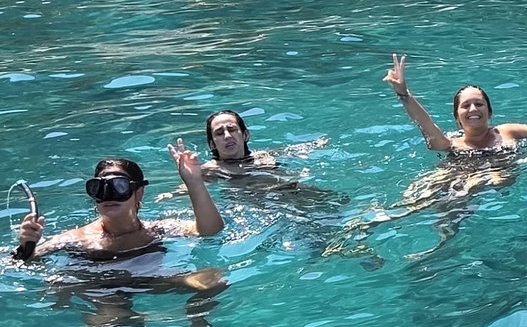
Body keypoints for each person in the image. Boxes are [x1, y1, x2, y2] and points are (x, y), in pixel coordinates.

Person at [11, 146, 223, 263]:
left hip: (149, 280)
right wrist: (26, 245)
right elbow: (23, 263)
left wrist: (194, 181)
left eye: (119, 186)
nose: (108, 195)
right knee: (107, 325)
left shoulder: (158, 230)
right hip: (99, 286)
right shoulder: (77, 239)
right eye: (99, 188)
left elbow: (210, 231)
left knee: (210, 281)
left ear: (138, 193)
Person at [384, 55, 527, 155]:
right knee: (419, 195)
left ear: (490, 112)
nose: (473, 109)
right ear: (457, 117)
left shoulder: (507, 131)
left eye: (479, 104)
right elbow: (425, 123)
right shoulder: (450, 145)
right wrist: (403, 93)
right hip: (456, 173)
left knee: (489, 182)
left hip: (487, 180)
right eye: (466, 105)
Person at [200, 109, 328, 178]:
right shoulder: (209, 170)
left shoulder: (262, 157)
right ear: (212, 144)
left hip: (289, 192)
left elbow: (293, 151)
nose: (227, 136)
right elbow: (185, 192)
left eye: (232, 129)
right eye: (219, 133)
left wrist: (316, 145)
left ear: (245, 135)